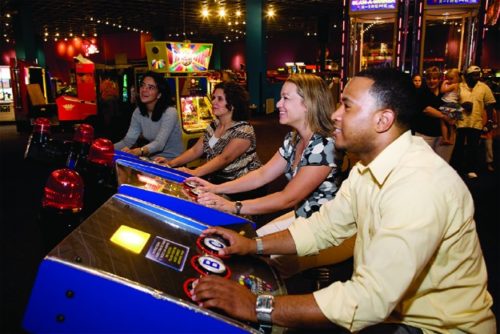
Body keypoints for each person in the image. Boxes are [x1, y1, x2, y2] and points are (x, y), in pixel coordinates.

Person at [190, 68, 496, 333]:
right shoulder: (367, 168)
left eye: (347, 106)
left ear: (383, 120)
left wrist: (258, 305)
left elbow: (369, 299)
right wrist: (252, 244)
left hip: (437, 327)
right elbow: (323, 227)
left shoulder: (419, 185)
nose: (335, 114)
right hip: (393, 313)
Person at [188, 73, 352, 278]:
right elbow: (262, 174)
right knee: (251, 241)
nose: (278, 103)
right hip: (305, 216)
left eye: (286, 98)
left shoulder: (324, 145)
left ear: (308, 104)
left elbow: (287, 197)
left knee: (261, 265)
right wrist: (214, 188)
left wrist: (233, 206)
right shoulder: (293, 138)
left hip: (330, 230)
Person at [155, 81, 262, 199]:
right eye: (214, 98)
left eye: (220, 99)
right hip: (217, 179)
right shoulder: (214, 125)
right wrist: (170, 164)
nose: (213, 102)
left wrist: (195, 172)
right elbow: (195, 150)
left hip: (243, 185)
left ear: (233, 104)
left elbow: (224, 158)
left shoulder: (244, 130)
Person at [114, 71, 183, 159]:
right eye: (142, 85)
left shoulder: (170, 112)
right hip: (152, 160)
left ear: (159, 94)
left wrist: (140, 151)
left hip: (173, 162)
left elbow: (159, 144)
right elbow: (128, 140)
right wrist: (108, 149)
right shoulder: (138, 112)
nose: (144, 90)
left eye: (150, 87)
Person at [454, 65, 497, 179]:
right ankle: (457, 169)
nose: (476, 77)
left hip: (476, 121)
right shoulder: (459, 86)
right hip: (460, 122)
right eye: (473, 75)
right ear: (467, 76)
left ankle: (470, 169)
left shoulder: (483, 87)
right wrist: (461, 106)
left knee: (473, 147)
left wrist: (490, 120)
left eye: (478, 75)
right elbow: (450, 104)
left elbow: (490, 103)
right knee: (458, 147)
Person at [412, 66, 455, 162]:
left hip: (444, 136)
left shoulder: (445, 92)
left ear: (440, 79)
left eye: (434, 78)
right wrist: (444, 116)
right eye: (428, 78)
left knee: (443, 164)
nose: (431, 81)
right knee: (424, 164)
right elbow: (426, 109)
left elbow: (454, 105)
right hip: (425, 134)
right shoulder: (421, 92)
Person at [439, 68, 463, 145]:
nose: (449, 80)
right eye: (448, 78)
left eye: (451, 78)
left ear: (457, 78)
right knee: (452, 125)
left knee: (443, 121)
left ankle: (445, 138)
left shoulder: (453, 85)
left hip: (449, 104)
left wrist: (444, 82)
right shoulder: (459, 86)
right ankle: (451, 139)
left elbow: (442, 90)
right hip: (455, 105)